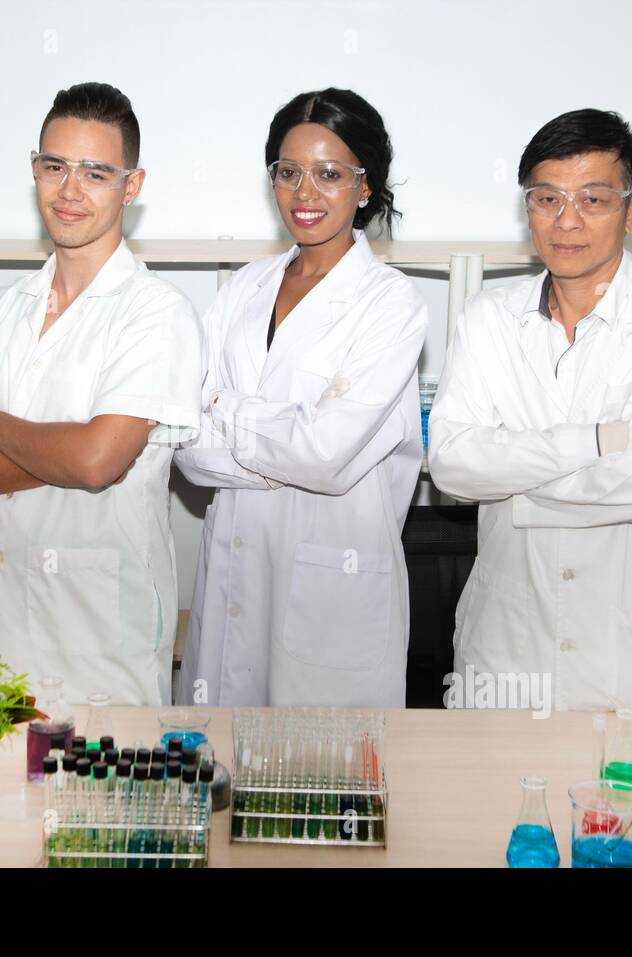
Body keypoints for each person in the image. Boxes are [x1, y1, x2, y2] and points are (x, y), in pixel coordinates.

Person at [427, 108, 632, 712]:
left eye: (592, 200)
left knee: (629, 805)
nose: (566, 221)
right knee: (486, 801)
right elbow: (453, 467)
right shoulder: (489, 317)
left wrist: (516, 484)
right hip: (506, 645)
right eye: (546, 199)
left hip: (624, 654)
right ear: (527, 208)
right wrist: (594, 441)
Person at [0, 82, 202, 706]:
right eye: (55, 167)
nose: (70, 191)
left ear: (132, 186)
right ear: (35, 171)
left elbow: (95, 461)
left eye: (96, 173)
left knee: (104, 803)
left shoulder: (157, 314)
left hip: (103, 647)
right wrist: (67, 446)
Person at [174, 88, 428, 707]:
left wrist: (222, 411)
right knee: (221, 783)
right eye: (288, 172)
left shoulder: (390, 303)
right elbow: (184, 446)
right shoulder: (241, 289)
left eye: (329, 174)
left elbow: (323, 455)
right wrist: (288, 443)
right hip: (231, 579)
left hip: (331, 592)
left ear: (365, 187)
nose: (304, 192)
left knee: (325, 786)